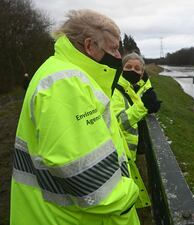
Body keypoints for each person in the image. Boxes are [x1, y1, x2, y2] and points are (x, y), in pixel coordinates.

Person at [10, 9, 140, 225]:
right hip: (68, 218)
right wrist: (128, 197)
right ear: (89, 46)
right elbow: (83, 173)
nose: (118, 56)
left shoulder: (68, 74)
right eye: (114, 49)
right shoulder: (66, 84)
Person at [111, 52, 160, 209]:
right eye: (128, 67)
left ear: (142, 72)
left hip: (136, 150)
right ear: (122, 68)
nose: (133, 71)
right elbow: (118, 122)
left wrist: (150, 108)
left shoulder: (140, 88)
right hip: (120, 152)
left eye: (137, 68)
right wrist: (143, 107)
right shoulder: (115, 90)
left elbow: (138, 110)